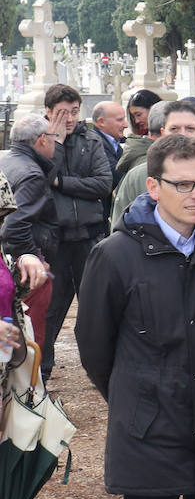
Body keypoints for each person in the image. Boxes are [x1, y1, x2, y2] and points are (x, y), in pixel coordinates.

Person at [75, 133, 195, 499]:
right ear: (153, 186)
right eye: (183, 184)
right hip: (149, 436)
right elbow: (95, 350)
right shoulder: (115, 256)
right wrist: (144, 398)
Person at [42, 85, 114, 382]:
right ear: (48, 112)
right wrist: (56, 145)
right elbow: (42, 179)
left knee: (96, 309)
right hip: (55, 240)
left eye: (74, 111)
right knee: (50, 311)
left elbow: (102, 183)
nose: (69, 118)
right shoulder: (41, 140)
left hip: (89, 236)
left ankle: (104, 371)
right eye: (62, 112)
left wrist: (63, 184)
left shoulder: (90, 139)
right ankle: (40, 374)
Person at [112, 101, 195, 222]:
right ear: (163, 133)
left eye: (190, 128)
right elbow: (120, 228)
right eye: (174, 128)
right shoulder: (137, 177)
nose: (182, 134)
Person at [1, 116, 61, 355]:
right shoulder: (32, 174)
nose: (55, 144)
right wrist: (32, 256)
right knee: (29, 338)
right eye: (54, 138)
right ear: (43, 140)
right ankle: (29, 388)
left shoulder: (8, 161)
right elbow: (14, 224)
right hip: (24, 270)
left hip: (8, 262)